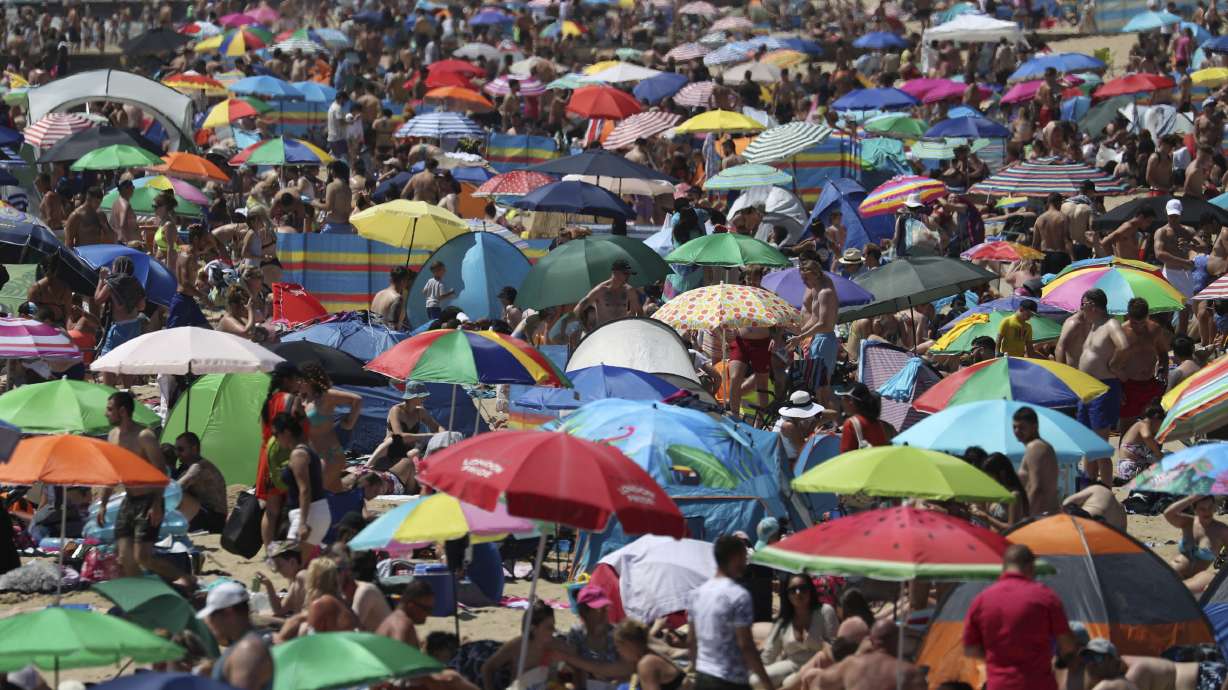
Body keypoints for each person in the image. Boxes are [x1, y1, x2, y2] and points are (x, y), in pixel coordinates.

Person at [98, 391, 190, 583]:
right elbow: (112, 472)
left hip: (149, 501)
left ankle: (184, 578)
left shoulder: (144, 436)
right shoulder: (113, 436)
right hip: (129, 499)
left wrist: (157, 505)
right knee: (124, 557)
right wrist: (103, 503)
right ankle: (143, 594)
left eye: (109, 409)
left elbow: (161, 472)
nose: (106, 414)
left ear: (122, 411)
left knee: (143, 557)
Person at [964, 545, 1078, 690]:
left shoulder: (981, 600)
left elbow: (971, 649)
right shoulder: (1046, 597)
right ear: (1030, 567)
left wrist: (996, 660)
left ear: (1004, 567)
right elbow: (1067, 644)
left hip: (1000, 685)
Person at [688, 535, 776, 690]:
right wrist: (766, 683)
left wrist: (697, 672)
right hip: (731, 679)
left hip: (703, 676)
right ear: (735, 557)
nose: (746, 561)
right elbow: (746, 645)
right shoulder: (738, 595)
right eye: (744, 556)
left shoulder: (696, 594)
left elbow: (692, 641)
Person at [1059, 289, 1128, 487]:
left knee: (1099, 445)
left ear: (1092, 305)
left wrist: (1114, 366)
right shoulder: (1093, 326)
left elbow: (1123, 346)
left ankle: (1105, 487)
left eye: (1083, 303)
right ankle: (1090, 482)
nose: (1081, 308)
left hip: (1102, 388)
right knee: (1087, 442)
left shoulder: (1110, 324)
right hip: (1086, 389)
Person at [757, 574, 838, 688]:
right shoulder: (783, 620)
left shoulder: (825, 611)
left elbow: (834, 649)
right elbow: (768, 655)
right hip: (792, 664)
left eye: (803, 588)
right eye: (792, 590)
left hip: (819, 666)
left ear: (810, 591)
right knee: (755, 680)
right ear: (787, 594)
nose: (798, 593)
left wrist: (818, 641)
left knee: (789, 683)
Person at [198, 581, 275, 690]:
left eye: (212, 615)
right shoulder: (247, 643)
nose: (209, 622)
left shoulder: (247, 650)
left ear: (228, 612)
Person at [299, 362, 363, 493]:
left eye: (301, 380)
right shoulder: (302, 400)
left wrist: (349, 423)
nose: (298, 383)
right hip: (314, 454)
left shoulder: (326, 395)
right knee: (332, 493)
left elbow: (357, 400)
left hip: (330, 454)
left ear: (310, 381)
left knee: (319, 493)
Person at [807, 620, 926, 690]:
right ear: (899, 642)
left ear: (870, 640)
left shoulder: (851, 664)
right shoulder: (911, 673)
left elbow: (818, 681)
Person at [273, 412, 331, 549]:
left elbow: (304, 489)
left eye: (276, 435)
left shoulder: (298, 454)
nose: (275, 439)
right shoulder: (307, 449)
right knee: (297, 563)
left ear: (286, 432)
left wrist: (303, 523)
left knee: (287, 560)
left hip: (307, 514)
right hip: (315, 511)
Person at [559, 585, 634, 688]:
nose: (604, 614)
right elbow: (573, 668)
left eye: (605, 608)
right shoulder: (577, 634)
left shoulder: (617, 635)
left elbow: (627, 669)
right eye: (598, 610)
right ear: (584, 613)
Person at [788, 259, 839, 407]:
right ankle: (827, 419)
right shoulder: (818, 288)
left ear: (816, 275)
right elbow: (814, 318)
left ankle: (833, 419)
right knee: (818, 387)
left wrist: (801, 336)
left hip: (825, 340)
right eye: (802, 279)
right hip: (819, 339)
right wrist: (798, 332)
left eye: (806, 278)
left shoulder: (825, 292)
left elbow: (823, 324)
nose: (804, 283)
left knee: (824, 387)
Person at [481, 600, 559, 690]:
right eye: (549, 627)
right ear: (533, 629)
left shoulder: (553, 645)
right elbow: (488, 667)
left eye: (553, 626)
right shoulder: (517, 645)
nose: (554, 630)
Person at [1114, 298, 1168, 426]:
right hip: (1128, 386)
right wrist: (1117, 388)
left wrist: (1163, 369)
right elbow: (1112, 364)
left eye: (1142, 323)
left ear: (1148, 316)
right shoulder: (1120, 333)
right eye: (1134, 323)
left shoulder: (1155, 329)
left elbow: (1163, 352)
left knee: (1155, 426)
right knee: (1127, 428)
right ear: (1128, 316)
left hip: (1151, 383)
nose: (1138, 327)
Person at [1164, 494, 1228, 592]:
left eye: (1210, 507)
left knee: (1179, 590)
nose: (1207, 511)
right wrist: (1191, 498)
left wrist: (1219, 572)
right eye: (1202, 508)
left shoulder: (1222, 530)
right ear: (1195, 509)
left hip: (1197, 579)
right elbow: (1168, 514)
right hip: (1174, 570)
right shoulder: (1188, 522)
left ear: (1214, 506)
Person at [172, 432, 228, 533]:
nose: (177, 454)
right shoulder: (189, 467)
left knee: (177, 494)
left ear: (194, 448)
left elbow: (175, 489)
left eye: (181, 449)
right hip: (208, 514)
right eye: (175, 449)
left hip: (213, 519)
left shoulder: (198, 467)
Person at [1013, 406, 1059, 517]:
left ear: (1035, 427)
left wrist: (1025, 518)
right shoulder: (1043, 446)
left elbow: (1036, 488)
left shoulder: (1035, 447)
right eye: (1014, 427)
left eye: (1022, 427)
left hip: (1040, 516)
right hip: (1046, 514)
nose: (1017, 431)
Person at [573, 259, 642, 329]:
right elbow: (577, 310)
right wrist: (585, 328)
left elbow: (639, 312)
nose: (628, 277)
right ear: (615, 273)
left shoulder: (629, 290)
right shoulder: (601, 290)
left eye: (629, 274)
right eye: (625, 273)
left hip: (622, 332)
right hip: (604, 333)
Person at [166, 224, 212, 329]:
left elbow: (212, 243)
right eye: (204, 239)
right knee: (171, 335)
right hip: (181, 301)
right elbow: (185, 284)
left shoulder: (193, 252)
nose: (206, 243)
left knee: (206, 329)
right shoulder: (187, 256)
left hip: (189, 300)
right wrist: (203, 297)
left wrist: (201, 229)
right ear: (196, 239)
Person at [255, 540, 307, 618]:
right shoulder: (295, 581)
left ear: (292, 562)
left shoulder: (302, 576)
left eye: (279, 565)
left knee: (258, 617)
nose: (278, 570)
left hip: (311, 626)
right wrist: (269, 585)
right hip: (303, 622)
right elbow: (279, 610)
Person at [376, 578, 436, 646]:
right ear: (411, 606)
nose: (430, 614)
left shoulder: (393, 618)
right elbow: (397, 651)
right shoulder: (402, 624)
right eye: (427, 609)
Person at [838, 383, 895, 453]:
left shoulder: (850, 423)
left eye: (842, 398)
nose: (841, 402)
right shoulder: (878, 424)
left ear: (851, 401)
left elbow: (845, 457)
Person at [1117, 402, 1165, 484]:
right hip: (1130, 468)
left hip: (1134, 467)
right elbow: (1147, 437)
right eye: (1161, 423)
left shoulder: (1143, 427)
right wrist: (1158, 453)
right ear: (1156, 419)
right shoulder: (1142, 424)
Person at [1033, 193, 1074, 275]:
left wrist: (1033, 262)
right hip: (1060, 256)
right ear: (1058, 202)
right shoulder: (1062, 218)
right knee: (1060, 285)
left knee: (1046, 286)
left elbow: (1035, 243)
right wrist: (1073, 258)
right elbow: (1067, 240)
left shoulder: (1039, 219)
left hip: (1045, 257)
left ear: (1048, 203)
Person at [317, 161, 354, 234]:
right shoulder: (347, 188)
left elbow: (328, 207)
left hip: (332, 226)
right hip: (346, 227)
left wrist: (314, 202)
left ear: (333, 171)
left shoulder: (332, 186)